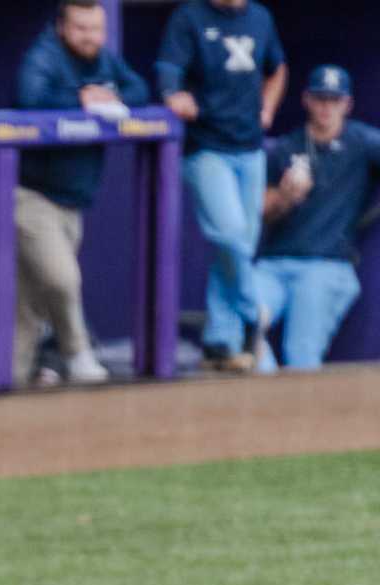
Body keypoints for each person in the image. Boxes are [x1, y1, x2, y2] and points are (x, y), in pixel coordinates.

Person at [13, 0, 149, 387]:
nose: (90, 37)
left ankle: (8, 383)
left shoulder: (103, 60)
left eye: (96, 29)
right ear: (62, 27)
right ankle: (78, 353)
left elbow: (139, 88)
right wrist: (81, 100)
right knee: (62, 280)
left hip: (72, 203)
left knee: (27, 304)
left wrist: (107, 98)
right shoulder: (44, 56)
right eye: (81, 29)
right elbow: (29, 100)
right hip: (29, 197)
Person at [156, 0, 286, 373]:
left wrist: (267, 109)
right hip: (206, 148)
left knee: (239, 248)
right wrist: (174, 95)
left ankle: (220, 340)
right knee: (229, 235)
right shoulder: (189, 17)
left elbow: (276, 69)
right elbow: (169, 71)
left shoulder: (260, 16)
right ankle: (251, 313)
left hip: (250, 149)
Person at [252, 66, 380, 372]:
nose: (326, 107)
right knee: (239, 324)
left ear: (347, 104)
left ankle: (296, 415)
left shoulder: (362, 143)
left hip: (327, 264)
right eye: (320, 98)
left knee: (301, 352)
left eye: (334, 100)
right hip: (274, 264)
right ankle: (268, 398)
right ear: (307, 100)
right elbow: (261, 211)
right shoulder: (286, 147)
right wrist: (286, 196)